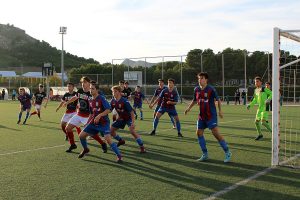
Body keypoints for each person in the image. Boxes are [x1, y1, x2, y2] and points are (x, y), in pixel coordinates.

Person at [184, 72, 231, 163]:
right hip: (201, 116)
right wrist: (188, 108)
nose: (200, 80)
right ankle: (205, 154)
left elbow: (218, 100)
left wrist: (220, 110)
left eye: (202, 78)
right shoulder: (196, 89)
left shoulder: (211, 89)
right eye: (199, 78)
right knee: (199, 133)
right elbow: (194, 100)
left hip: (211, 116)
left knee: (215, 134)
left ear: (206, 80)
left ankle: (227, 152)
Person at [78, 82, 123, 163]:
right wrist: (88, 122)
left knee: (108, 140)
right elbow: (92, 113)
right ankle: (86, 149)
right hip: (93, 122)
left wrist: (99, 116)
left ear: (97, 90)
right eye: (90, 88)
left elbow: (109, 109)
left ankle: (119, 156)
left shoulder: (101, 98)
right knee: (81, 136)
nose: (91, 90)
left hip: (103, 123)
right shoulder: (90, 99)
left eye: (93, 89)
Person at [64, 77, 107, 153]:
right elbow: (75, 97)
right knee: (68, 128)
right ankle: (73, 144)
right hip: (79, 114)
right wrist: (67, 102)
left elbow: (99, 102)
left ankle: (102, 143)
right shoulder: (80, 91)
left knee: (91, 133)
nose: (83, 84)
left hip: (88, 116)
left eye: (85, 82)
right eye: (82, 82)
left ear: (89, 83)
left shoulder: (92, 93)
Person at [110, 85, 146, 153]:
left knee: (132, 131)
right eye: (112, 92)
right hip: (121, 118)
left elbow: (131, 112)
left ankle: (142, 147)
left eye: (115, 91)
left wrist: (132, 122)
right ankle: (121, 140)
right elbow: (109, 110)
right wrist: (101, 114)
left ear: (119, 92)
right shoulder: (112, 101)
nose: (113, 93)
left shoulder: (124, 101)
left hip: (129, 118)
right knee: (111, 131)